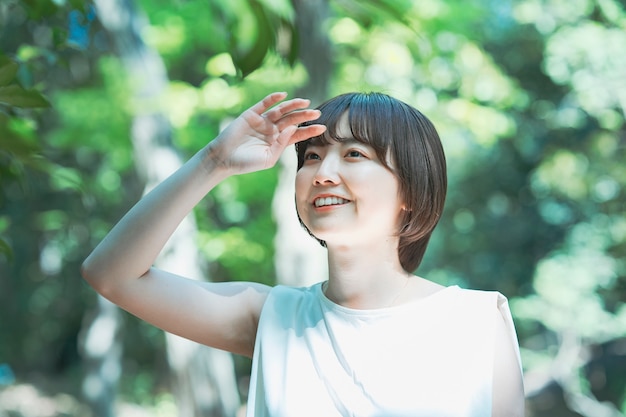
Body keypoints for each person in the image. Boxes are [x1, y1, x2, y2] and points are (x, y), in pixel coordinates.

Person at [81, 91, 525, 416]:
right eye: (312, 156)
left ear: (411, 189)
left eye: (354, 154)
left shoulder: (476, 320)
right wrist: (214, 160)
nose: (323, 173)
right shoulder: (272, 318)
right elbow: (111, 275)